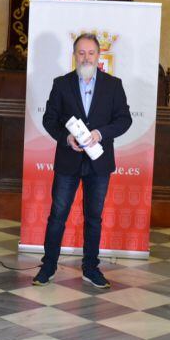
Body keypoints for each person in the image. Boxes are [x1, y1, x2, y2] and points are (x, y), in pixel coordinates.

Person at [33, 33, 132, 289]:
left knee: (94, 217)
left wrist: (101, 133)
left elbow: (124, 119)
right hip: (69, 160)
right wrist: (66, 138)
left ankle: (91, 268)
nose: (86, 57)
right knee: (58, 215)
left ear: (99, 56)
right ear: (74, 55)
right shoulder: (61, 84)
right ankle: (48, 266)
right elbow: (49, 119)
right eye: (81, 52)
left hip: (99, 163)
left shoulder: (113, 84)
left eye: (91, 53)